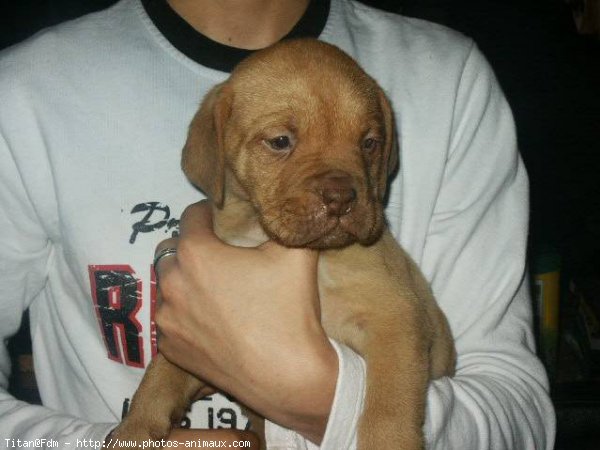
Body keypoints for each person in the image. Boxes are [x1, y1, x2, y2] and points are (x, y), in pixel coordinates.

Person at [0, 0, 556, 448]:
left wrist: (325, 403)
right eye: (282, 143)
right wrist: (124, 442)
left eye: (366, 146)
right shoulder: (28, 92)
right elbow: (185, 352)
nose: (341, 188)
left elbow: (507, 398)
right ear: (217, 155)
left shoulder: (449, 76)